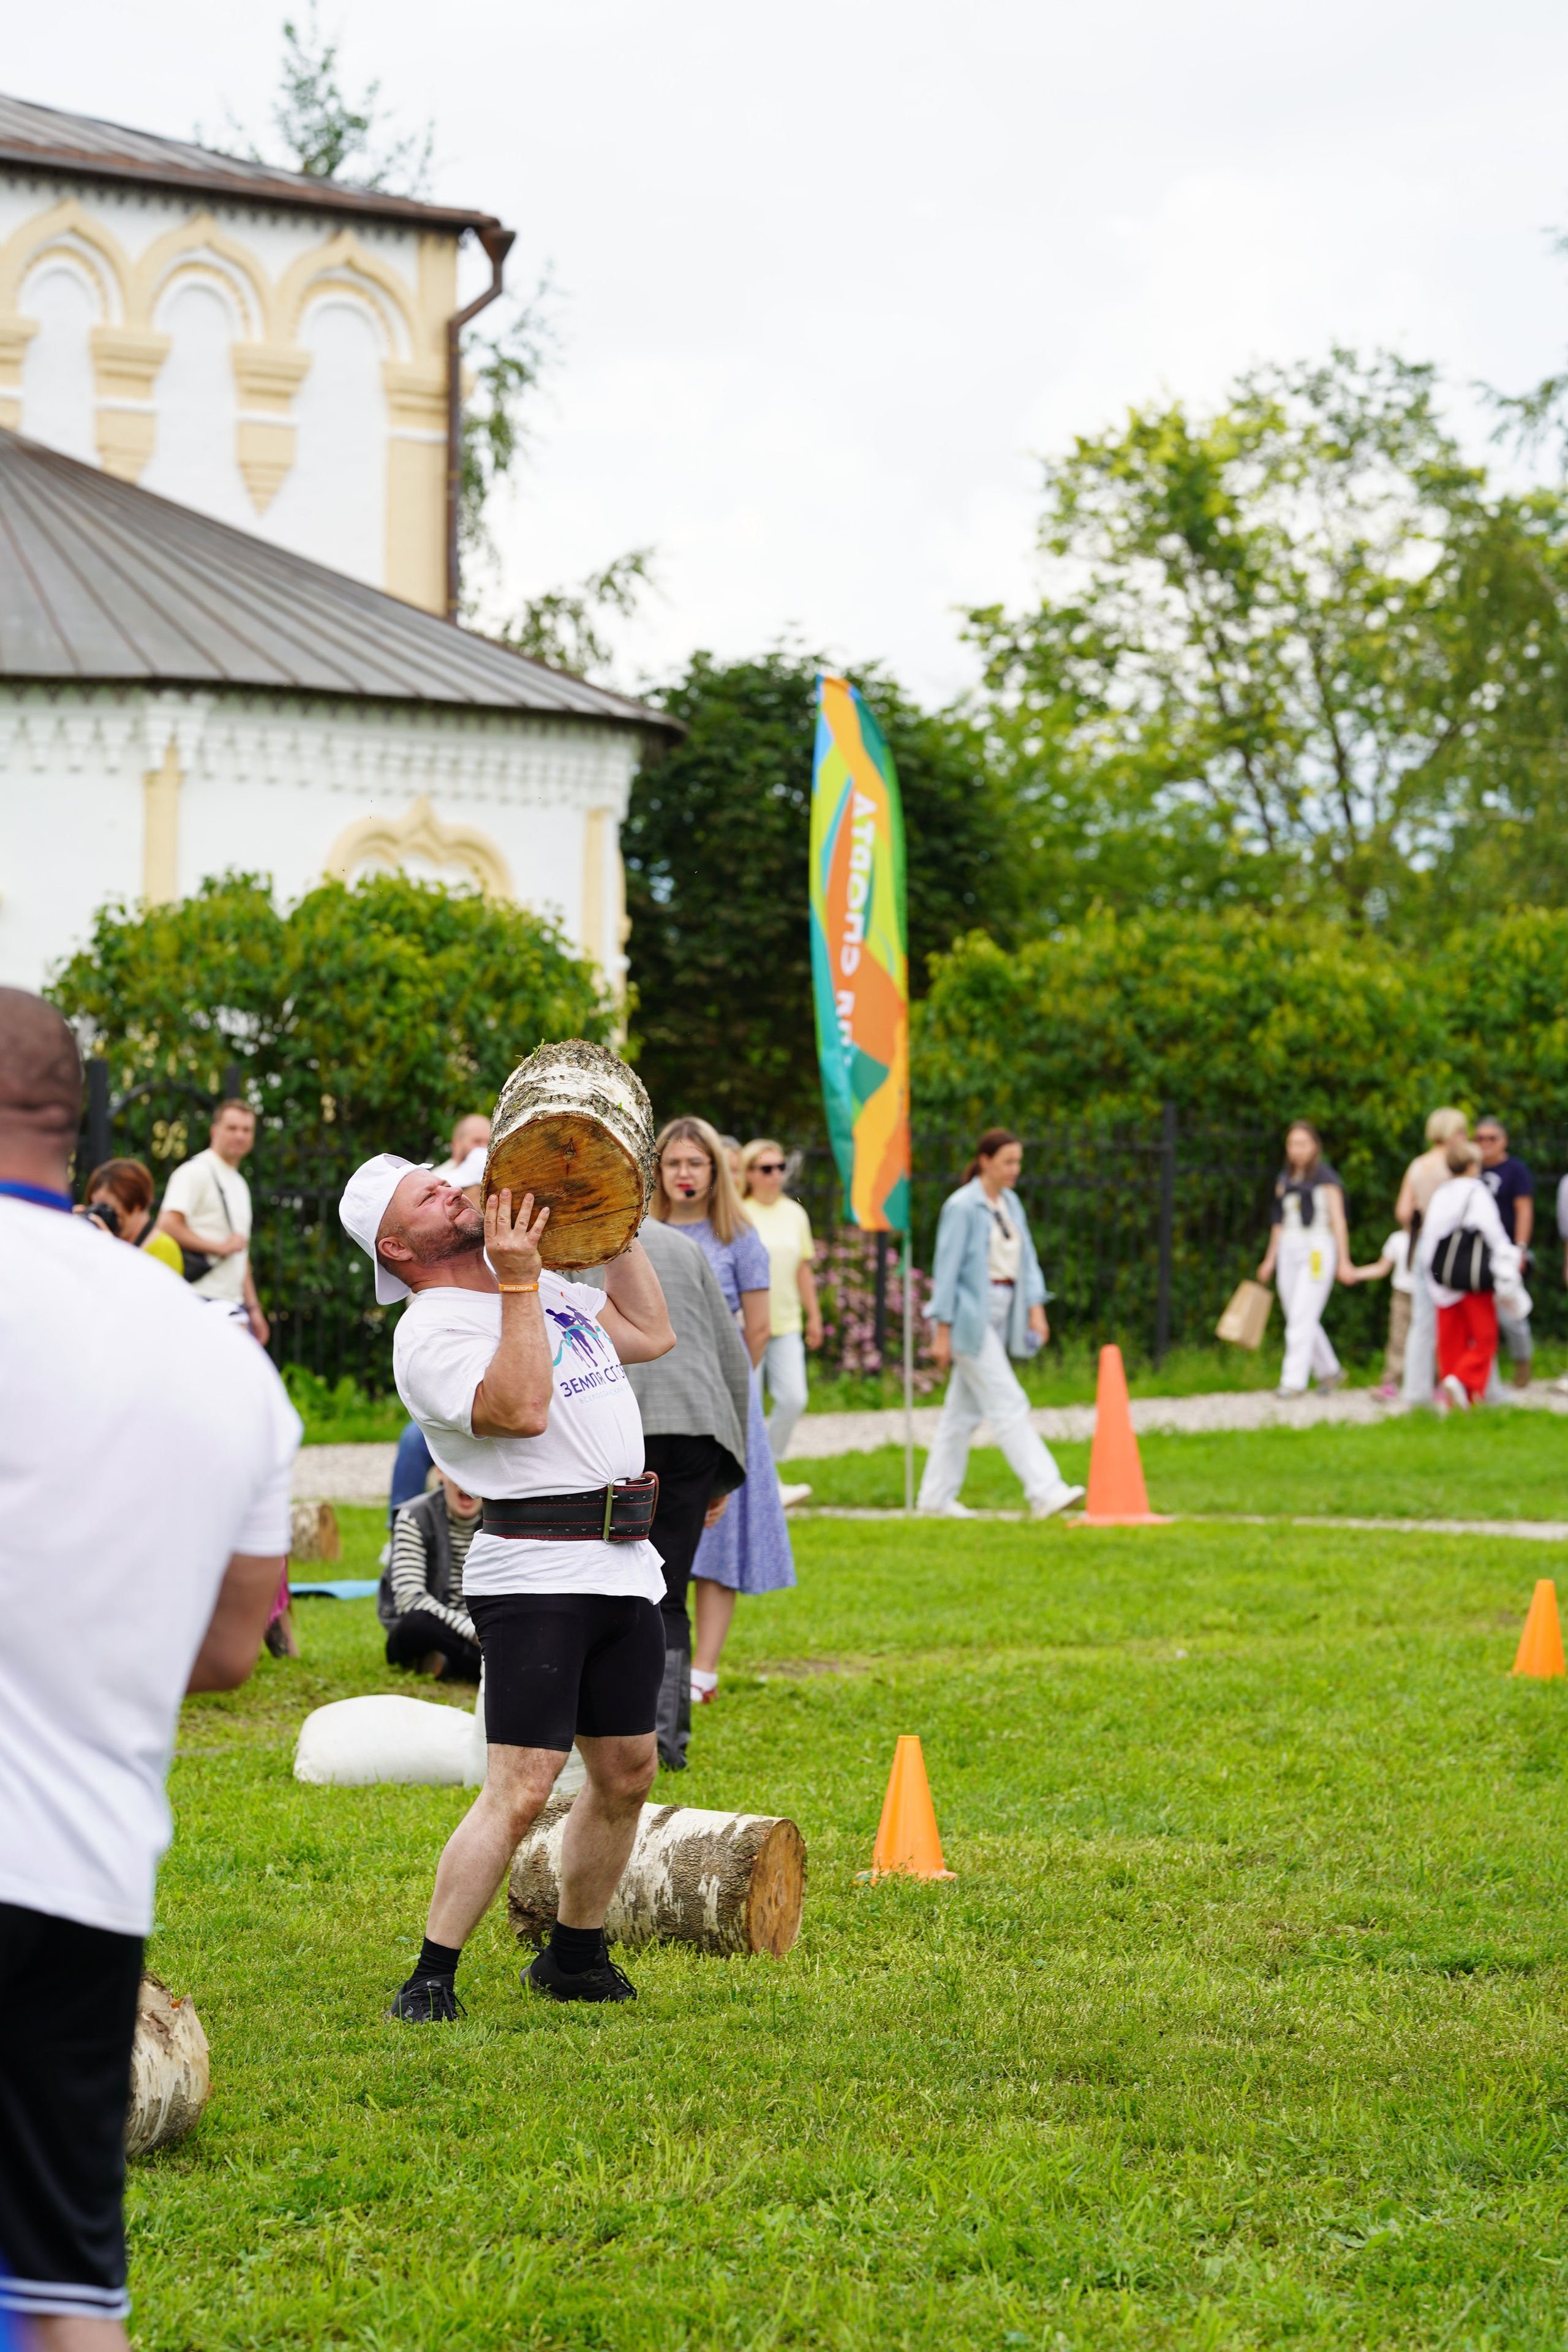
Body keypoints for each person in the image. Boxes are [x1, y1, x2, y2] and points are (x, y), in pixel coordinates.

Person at [0, 989, 299, 2350]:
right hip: (82, 1873)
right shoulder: (216, 1357)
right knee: (69, 2301)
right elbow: (234, 1651)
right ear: (81, 1124)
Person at [339, 1151, 675, 2015]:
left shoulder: (537, 1283)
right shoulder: (428, 1332)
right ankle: (431, 1975)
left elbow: (649, 1332)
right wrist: (521, 1281)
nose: (450, 1188)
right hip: (535, 1569)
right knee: (523, 1784)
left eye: (438, 1176)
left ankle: (574, 1957)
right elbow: (519, 1410)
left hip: (622, 1559)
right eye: (427, 1194)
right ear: (396, 1246)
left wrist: (612, 1223)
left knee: (628, 1773)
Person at [649, 1118, 796, 1711]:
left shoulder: (738, 1237)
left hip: (721, 1398)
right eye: (673, 1163)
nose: (684, 1174)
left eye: (695, 1163)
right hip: (655, 1396)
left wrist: (725, 1390)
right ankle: (657, 1662)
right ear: (658, 1170)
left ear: (715, 1170)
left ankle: (703, 1670)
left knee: (719, 1537)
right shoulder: (641, 1233)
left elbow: (757, 1329)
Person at [614, 1217, 752, 1770]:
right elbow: (732, 1356)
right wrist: (727, 1467)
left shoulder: (577, 1246)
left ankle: (619, 1734)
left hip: (624, 1428)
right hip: (698, 1429)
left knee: (615, 1587)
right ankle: (666, 1742)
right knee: (669, 1591)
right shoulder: (684, 1246)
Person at [917, 1129, 1085, 1521]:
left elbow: (1027, 1260)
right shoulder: (962, 1206)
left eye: (1018, 1162)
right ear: (985, 1161)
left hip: (1004, 1310)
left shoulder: (1010, 1203)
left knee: (961, 1415)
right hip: (969, 1320)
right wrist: (942, 1331)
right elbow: (947, 1270)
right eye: (1008, 1161)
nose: (1015, 1169)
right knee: (1008, 1401)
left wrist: (1036, 1309)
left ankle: (935, 1499)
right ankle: (1046, 1491)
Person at [1419, 1135, 1526, 1411]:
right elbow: (1494, 1233)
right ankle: (1463, 1381)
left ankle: (1454, 1403)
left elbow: (1430, 1238)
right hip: (1474, 1279)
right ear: (1471, 1165)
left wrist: (1434, 1277)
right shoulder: (1477, 1192)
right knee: (1485, 1338)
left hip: (1443, 1278)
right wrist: (1510, 1260)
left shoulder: (1441, 1193)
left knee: (1450, 1341)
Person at [740, 1137, 821, 1491]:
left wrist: (814, 1316)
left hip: (787, 1322)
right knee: (751, 1406)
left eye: (780, 1167)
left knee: (794, 1399)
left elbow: (803, 1268)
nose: (775, 1175)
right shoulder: (739, 1213)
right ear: (749, 1174)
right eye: (766, 1168)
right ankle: (756, 1483)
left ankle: (768, 1471)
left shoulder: (795, 1213)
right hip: (748, 1324)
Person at [156, 1098, 270, 1345]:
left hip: (233, 1304)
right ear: (214, 1131)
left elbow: (240, 1251)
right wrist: (219, 1247)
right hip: (197, 1296)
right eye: (232, 1128)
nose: (240, 1135)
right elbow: (166, 1225)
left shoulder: (239, 1183)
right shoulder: (195, 1171)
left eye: (246, 1130)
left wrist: (253, 1308)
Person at [1256, 1122, 1354, 1398]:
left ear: (1315, 1146)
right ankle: (1330, 1371)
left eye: (1302, 1144)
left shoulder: (1327, 1179)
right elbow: (1279, 1222)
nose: (1296, 1150)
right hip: (1289, 1249)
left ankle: (1293, 1382)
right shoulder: (1286, 1179)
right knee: (1298, 1314)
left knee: (1302, 1315)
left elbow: (1338, 1222)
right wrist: (1270, 1259)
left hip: (1317, 1249)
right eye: (1292, 1144)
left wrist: (1344, 1261)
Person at [379, 1473, 484, 1683]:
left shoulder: (503, 1518)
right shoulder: (414, 1515)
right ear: (441, 1471)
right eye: (459, 1470)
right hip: (431, 1625)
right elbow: (410, 1600)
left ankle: (446, 1663)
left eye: (476, 1471)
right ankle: (482, 1664)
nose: (467, 1481)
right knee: (417, 1624)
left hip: (482, 1629)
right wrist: (473, 1632)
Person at [1395, 1107, 1468, 1406]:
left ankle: (1415, 1392)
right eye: (1462, 1131)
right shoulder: (1455, 1165)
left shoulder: (1417, 1165)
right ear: (1453, 1133)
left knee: (1421, 1321)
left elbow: (1403, 1212)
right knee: (1463, 1314)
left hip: (1424, 1246)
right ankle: (1466, 1383)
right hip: (1452, 1248)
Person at [1474, 1116, 1535, 1392]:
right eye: (1480, 1138)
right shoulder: (1471, 1168)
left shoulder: (1515, 1170)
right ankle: (1486, 1370)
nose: (1485, 1143)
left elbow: (1524, 1210)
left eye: (1492, 1138)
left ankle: (1523, 1362)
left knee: (1511, 1312)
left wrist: (1520, 1248)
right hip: (1474, 1253)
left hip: (1504, 1252)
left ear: (1504, 1140)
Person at [80, 1157, 184, 1274]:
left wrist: (110, 1249)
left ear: (137, 1203)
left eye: (108, 1209)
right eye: (96, 1209)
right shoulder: (104, 1244)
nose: (102, 1216)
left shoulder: (164, 1248)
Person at [1352, 1226, 1416, 1400]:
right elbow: (1382, 1267)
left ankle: (1435, 1383)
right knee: (1398, 1339)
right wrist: (1355, 1273)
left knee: (1432, 1341)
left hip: (1428, 1297)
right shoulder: (1397, 1238)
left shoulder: (1433, 1235)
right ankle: (1392, 1382)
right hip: (1402, 1296)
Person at [431, 1112, 491, 1186]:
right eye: (477, 1141)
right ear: (456, 1145)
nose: (485, 1147)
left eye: (489, 1143)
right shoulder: (436, 1182)